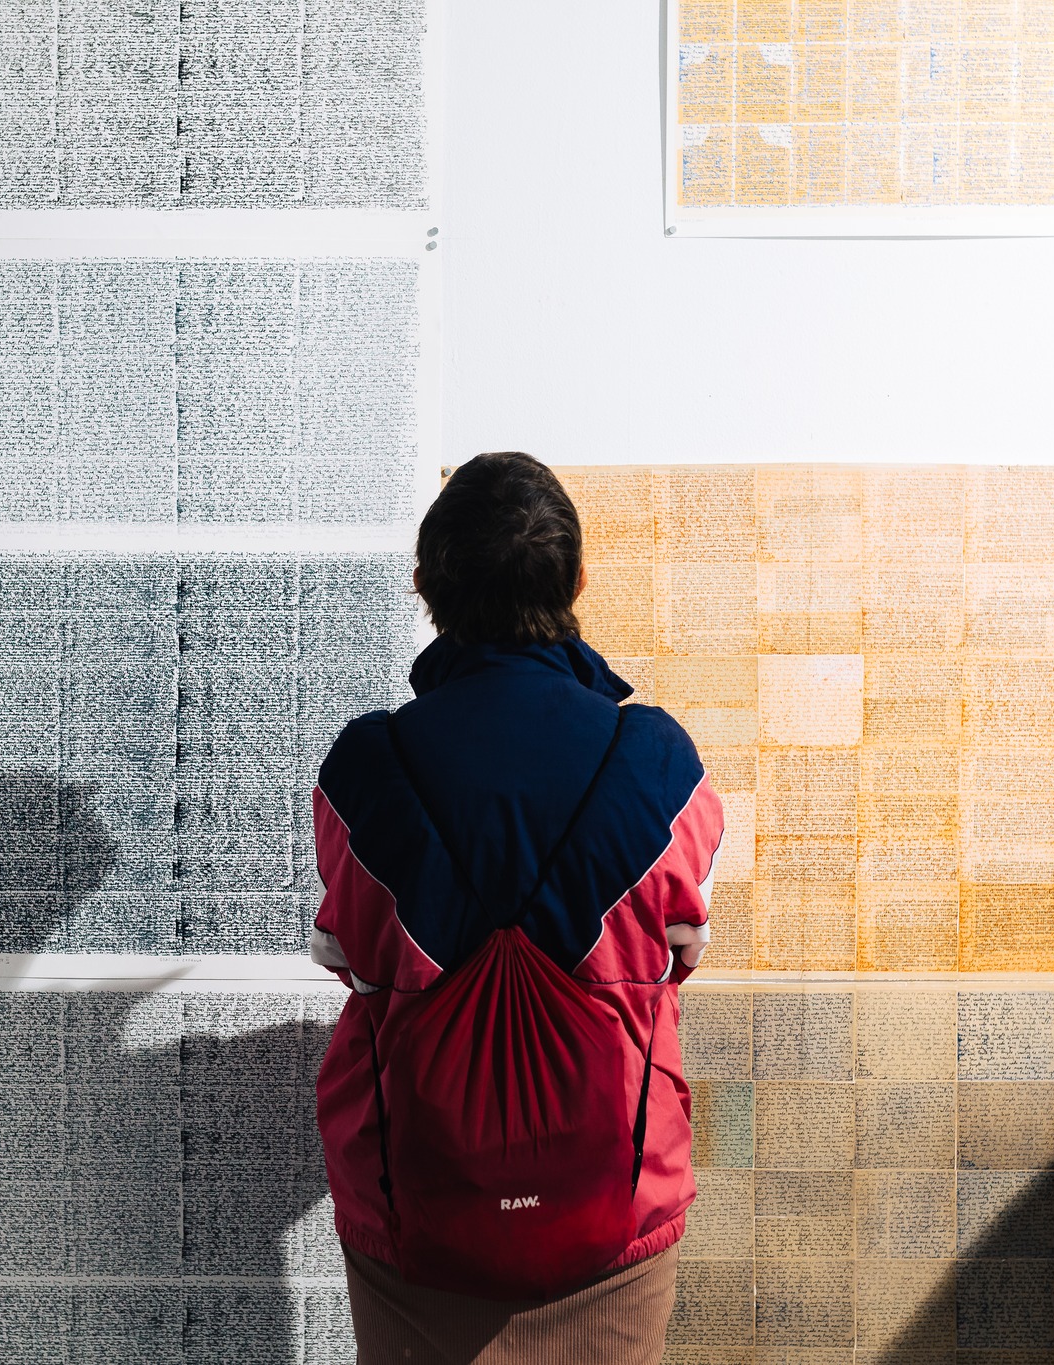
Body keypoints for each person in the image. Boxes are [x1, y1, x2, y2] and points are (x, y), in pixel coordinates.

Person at [306, 451, 724, 1363]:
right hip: (613, 1201)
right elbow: (682, 943)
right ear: (577, 581)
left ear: (426, 585)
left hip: (412, 1208)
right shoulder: (657, 763)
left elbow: (349, 947)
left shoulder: (364, 770)